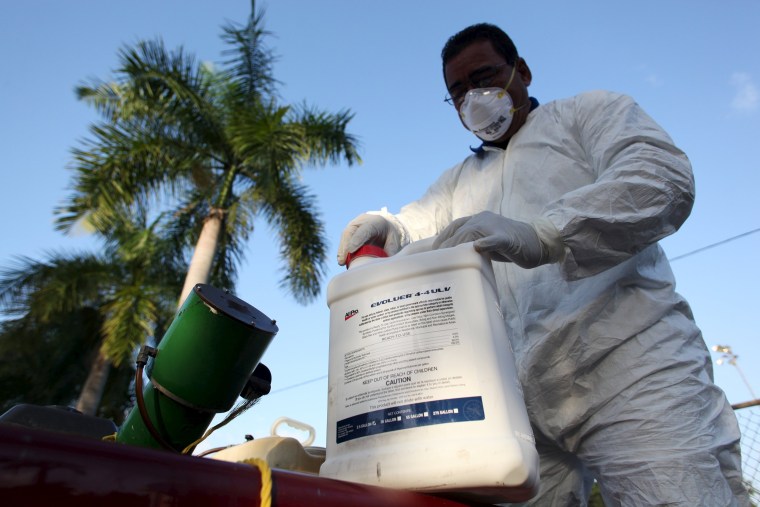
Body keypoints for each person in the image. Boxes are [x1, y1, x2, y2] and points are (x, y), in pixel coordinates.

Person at [336, 23, 748, 506]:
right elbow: (416, 224)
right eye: (458, 91)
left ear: (523, 71)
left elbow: (659, 178)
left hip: (630, 368)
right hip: (516, 403)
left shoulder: (586, 114)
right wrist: (384, 227)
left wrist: (545, 233)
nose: (474, 96)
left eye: (484, 75)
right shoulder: (461, 181)